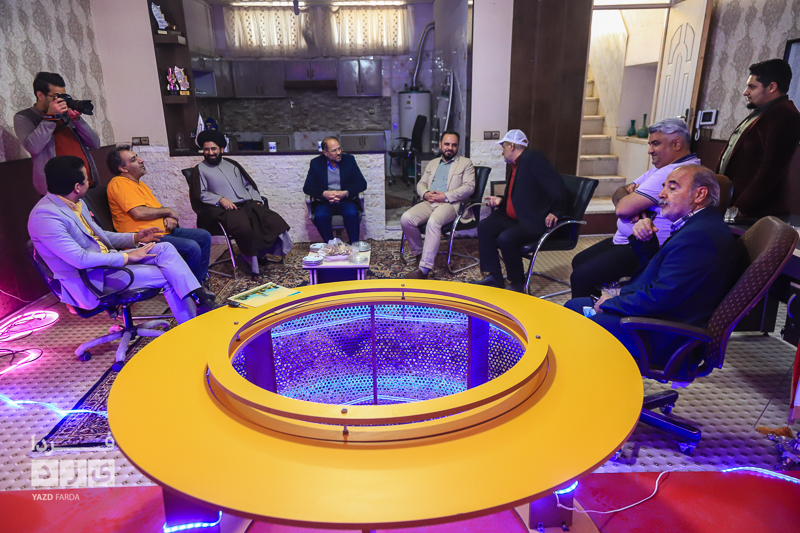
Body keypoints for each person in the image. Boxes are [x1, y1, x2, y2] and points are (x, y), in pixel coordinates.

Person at [565, 165, 737, 362]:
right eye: (663, 187)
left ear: (700, 194)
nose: (661, 194)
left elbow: (661, 296)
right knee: (574, 307)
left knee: (575, 319)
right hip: (658, 320)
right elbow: (661, 278)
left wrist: (612, 304)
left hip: (664, 337)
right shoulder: (699, 226)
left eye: (672, 188)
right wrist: (645, 241)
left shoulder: (700, 236)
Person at [28, 156, 215, 324]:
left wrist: (136, 237)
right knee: (167, 274)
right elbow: (80, 259)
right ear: (77, 187)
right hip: (92, 279)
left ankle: (200, 298)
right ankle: (191, 328)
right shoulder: (45, 217)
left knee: (164, 248)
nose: (89, 181)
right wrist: (127, 257)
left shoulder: (77, 202)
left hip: (107, 263)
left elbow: (101, 236)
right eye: (86, 178)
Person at [570, 118, 701, 298]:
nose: (650, 150)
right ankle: (597, 306)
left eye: (655, 144)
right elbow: (620, 192)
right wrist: (628, 197)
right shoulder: (661, 168)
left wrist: (630, 200)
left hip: (645, 247)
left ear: (677, 143)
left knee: (581, 276)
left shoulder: (674, 172)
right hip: (627, 240)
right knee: (579, 262)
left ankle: (588, 313)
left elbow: (622, 209)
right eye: (650, 144)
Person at [106, 145, 213, 289]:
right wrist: (167, 211)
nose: (141, 160)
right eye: (134, 159)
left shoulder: (140, 184)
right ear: (123, 169)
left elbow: (157, 209)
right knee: (192, 247)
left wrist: (170, 217)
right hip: (144, 238)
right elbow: (138, 212)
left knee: (204, 236)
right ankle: (193, 289)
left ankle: (200, 281)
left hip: (163, 231)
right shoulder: (119, 183)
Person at [472, 129, 566, 292]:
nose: (502, 151)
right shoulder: (517, 164)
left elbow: (557, 185)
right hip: (516, 218)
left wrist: (557, 211)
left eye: (503, 147)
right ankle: (495, 277)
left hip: (532, 221)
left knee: (506, 238)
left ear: (511, 146)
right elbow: (524, 195)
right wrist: (501, 200)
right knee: (485, 227)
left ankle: (517, 283)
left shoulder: (532, 159)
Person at [188, 130, 291, 275]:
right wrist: (220, 199)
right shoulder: (199, 170)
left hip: (248, 204)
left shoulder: (232, 164)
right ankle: (251, 262)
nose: (210, 152)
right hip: (226, 210)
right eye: (206, 149)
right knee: (244, 228)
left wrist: (257, 200)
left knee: (273, 220)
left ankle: (261, 253)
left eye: (213, 149)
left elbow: (248, 185)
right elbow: (200, 194)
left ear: (221, 149)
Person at [717, 59, 800, 218]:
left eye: (752, 87)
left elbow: (771, 170)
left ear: (772, 87)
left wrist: (741, 207)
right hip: (735, 205)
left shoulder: (785, 114)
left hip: (754, 212)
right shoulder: (764, 112)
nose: (745, 92)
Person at [401, 131, 475, 279]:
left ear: (457, 146)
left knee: (434, 221)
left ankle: (424, 269)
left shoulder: (466, 163)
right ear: (440, 145)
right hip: (429, 201)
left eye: (454, 145)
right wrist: (425, 194)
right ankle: (420, 254)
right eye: (447, 144)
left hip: (450, 204)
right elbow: (421, 183)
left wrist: (445, 196)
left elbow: (469, 187)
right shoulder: (432, 163)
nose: (450, 148)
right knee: (406, 219)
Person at [14, 72, 101, 196]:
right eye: (56, 96)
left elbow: (95, 144)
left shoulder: (66, 114)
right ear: (40, 95)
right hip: (58, 193)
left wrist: (77, 120)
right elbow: (33, 147)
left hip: (87, 185)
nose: (61, 100)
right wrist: (50, 117)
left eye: (63, 95)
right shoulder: (25, 117)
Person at [303, 136, 367, 243]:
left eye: (339, 149)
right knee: (320, 216)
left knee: (352, 214)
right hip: (325, 202)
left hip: (346, 201)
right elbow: (307, 187)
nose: (338, 152)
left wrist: (345, 193)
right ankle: (331, 245)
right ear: (325, 152)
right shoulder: (316, 163)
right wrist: (324, 194)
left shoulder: (349, 160)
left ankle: (354, 246)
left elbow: (362, 183)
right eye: (334, 150)